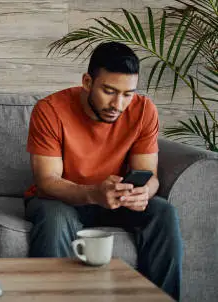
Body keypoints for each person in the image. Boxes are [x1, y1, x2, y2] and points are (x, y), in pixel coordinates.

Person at [25, 42, 182, 300]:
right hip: (60, 199)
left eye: (127, 94)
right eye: (109, 91)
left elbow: (148, 175)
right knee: (54, 219)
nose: (118, 104)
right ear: (87, 82)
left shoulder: (144, 111)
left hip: (115, 199)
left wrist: (144, 192)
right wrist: (94, 194)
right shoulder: (50, 110)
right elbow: (47, 181)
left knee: (163, 211)